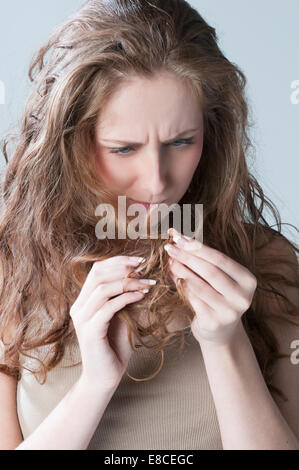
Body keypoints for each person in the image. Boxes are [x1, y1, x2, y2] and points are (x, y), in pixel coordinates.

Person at [0, 0, 298, 451]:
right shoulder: (11, 267)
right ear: (70, 143)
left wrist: (225, 342)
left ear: (211, 135)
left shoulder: (268, 260)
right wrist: (95, 385)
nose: (157, 183)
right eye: (123, 149)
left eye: (181, 142)